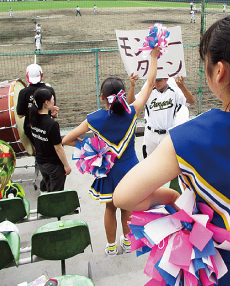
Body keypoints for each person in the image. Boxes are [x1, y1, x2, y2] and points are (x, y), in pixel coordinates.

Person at [114, 12, 230, 285]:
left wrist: (169, 198)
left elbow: (123, 197)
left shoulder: (188, 138)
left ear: (220, 72)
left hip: (215, 274)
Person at [62, 47, 160, 256]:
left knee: (110, 208)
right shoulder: (132, 112)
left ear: (103, 97)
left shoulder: (95, 118)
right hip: (130, 169)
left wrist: (90, 149)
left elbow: (67, 139)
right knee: (127, 207)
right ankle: (127, 242)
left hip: (108, 171)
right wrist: (153, 56)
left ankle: (111, 247)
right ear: (123, 95)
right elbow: (150, 84)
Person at [128, 75, 195, 158]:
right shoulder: (148, 92)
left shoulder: (175, 92)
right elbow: (132, 104)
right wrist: (132, 86)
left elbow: (191, 101)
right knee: (150, 163)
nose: (157, 82)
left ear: (166, 79)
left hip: (167, 134)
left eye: (159, 80)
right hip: (151, 134)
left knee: (168, 162)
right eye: (155, 80)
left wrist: (182, 87)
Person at [29, 88, 71, 192]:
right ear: (46, 102)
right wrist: (66, 165)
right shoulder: (52, 125)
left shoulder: (33, 118)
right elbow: (58, 148)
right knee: (55, 196)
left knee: (49, 189)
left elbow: (44, 132)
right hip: (54, 166)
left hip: (41, 163)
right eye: (52, 99)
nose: (53, 101)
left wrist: (52, 117)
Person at [16, 64, 58, 146]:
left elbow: (20, 115)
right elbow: (52, 109)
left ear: (27, 76)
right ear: (41, 75)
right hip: (47, 126)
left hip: (30, 127)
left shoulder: (23, 92)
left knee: (39, 151)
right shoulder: (49, 90)